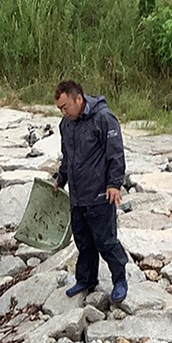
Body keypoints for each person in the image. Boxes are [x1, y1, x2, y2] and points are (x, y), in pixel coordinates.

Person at [53, 80, 129, 303]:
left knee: (105, 241)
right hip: (77, 196)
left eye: (65, 106)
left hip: (99, 194)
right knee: (83, 241)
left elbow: (115, 153)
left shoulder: (104, 119)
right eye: (59, 108)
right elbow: (68, 157)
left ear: (79, 99)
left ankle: (120, 280)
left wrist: (114, 183)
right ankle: (86, 279)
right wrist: (61, 178)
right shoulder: (65, 125)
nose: (63, 112)